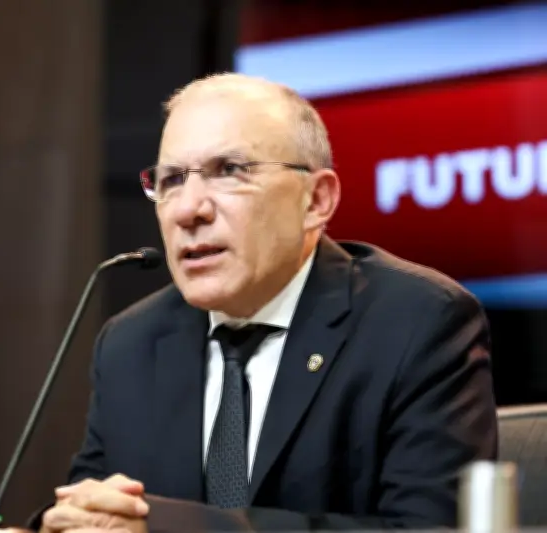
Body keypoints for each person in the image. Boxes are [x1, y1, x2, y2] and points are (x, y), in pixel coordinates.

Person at [36, 73, 498, 532]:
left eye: (229, 170)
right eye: (172, 179)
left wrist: (174, 527)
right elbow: (92, 510)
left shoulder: (417, 321)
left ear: (315, 201)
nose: (187, 209)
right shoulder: (131, 344)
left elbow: (431, 529)